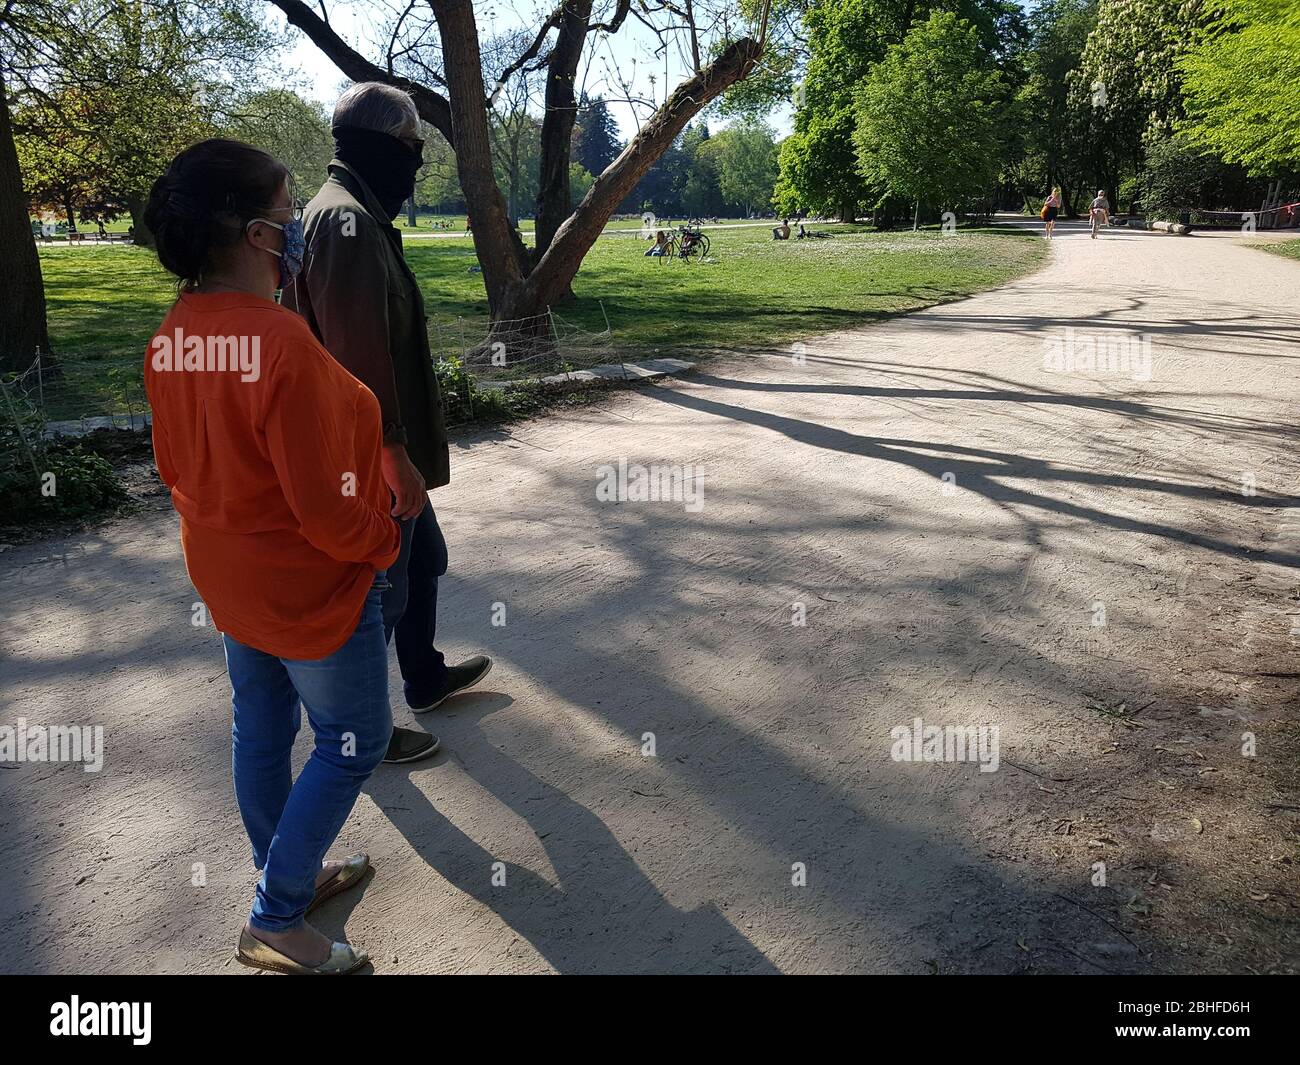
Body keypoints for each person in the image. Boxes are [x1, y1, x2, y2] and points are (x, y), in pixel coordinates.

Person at [143, 138, 399, 973]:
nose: (299, 231)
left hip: (227, 577)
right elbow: (329, 511)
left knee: (260, 725)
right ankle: (276, 915)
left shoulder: (176, 336)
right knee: (354, 735)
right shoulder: (280, 344)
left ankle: (282, 868)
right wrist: (386, 537)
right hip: (308, 588)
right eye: (291, 215)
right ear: (257, 235)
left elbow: (176, 468)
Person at [283, 83, 492, 768]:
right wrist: (391, 453)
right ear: (378, 144)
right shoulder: (344, 223)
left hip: (384, 451)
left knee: (424, 561)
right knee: (379, 592)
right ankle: (358, 733)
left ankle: (424, 678)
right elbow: (355, 360)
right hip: (370, 457)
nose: (417, 162)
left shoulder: (356, 213)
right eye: (411, 146)